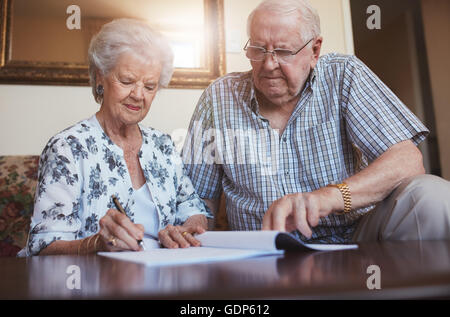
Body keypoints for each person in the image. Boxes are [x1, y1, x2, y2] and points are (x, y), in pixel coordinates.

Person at [182, 0, 450, 243]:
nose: (268, 64)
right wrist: (192, 222)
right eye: (258, 49)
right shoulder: (218, 97)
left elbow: (407, 161)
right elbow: (195, 196)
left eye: (284, 51)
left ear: (315, 50)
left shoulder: (344, 74)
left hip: (356, 236)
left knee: (432, 195)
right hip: (262, 250)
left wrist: (329, 198)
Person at [19, 19, 211, 256]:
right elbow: (42, 246)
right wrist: (97, 244)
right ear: (101, 77)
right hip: (93, 283)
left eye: (150, 86)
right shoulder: (68, 148)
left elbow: (193, 207)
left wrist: (190, 228)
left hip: (162, 278)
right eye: (127, 81)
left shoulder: (162, 145)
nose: (138, 95)